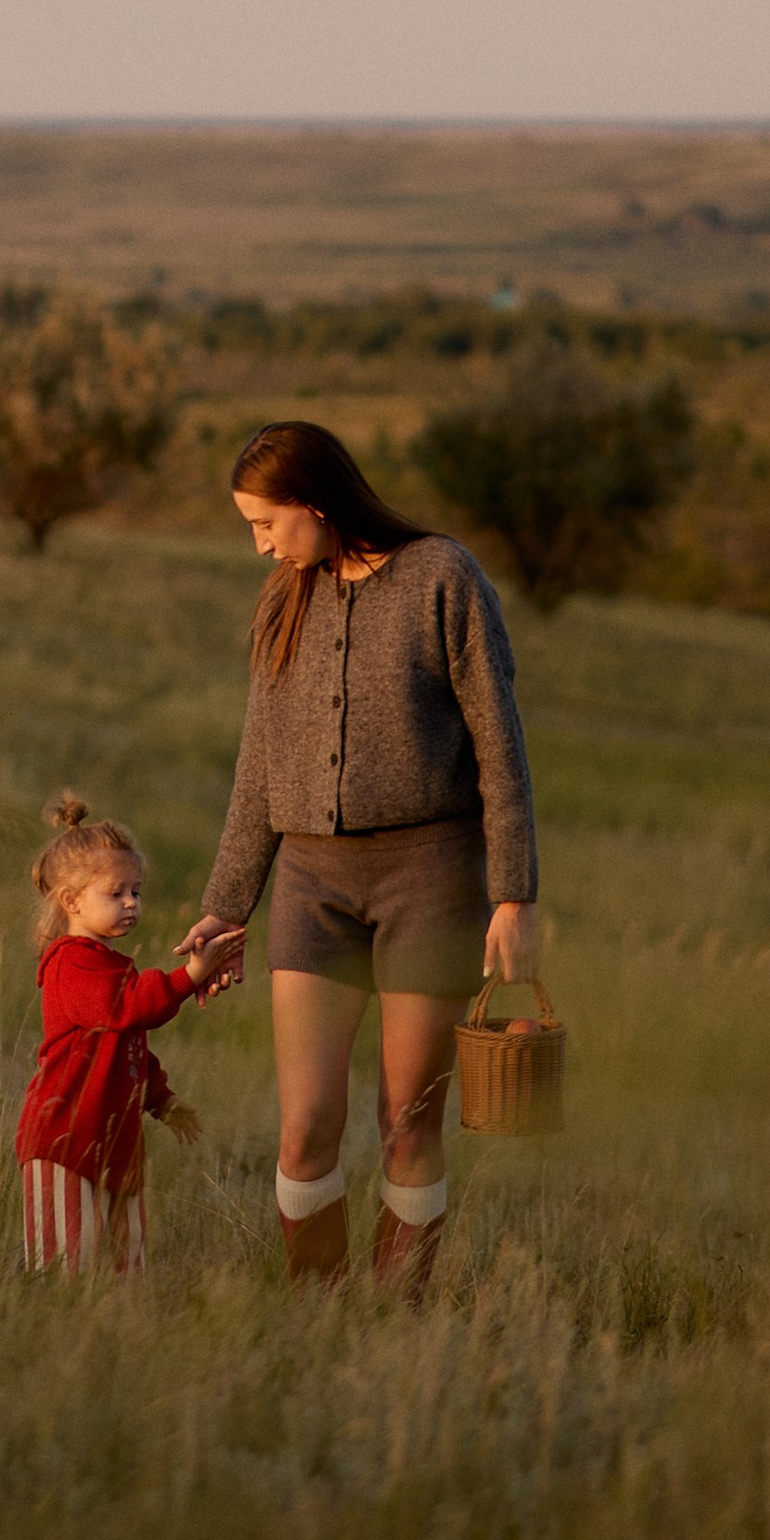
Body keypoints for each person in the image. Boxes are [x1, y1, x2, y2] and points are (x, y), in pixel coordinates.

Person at [176, 421, 539, 1306]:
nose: (259, 545)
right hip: (310, 885)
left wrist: (514, 894)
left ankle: (400, 1315)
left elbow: (500, 741)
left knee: (406, 1124)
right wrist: (227, 906)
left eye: (266, 523)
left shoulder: (442, 577)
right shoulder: (281, 601)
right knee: (306, 1126)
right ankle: (318, 1312)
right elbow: (258, 765)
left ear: (315, 503)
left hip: (433, 878)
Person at [15, 792, 244, 1273]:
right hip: (63, 1138)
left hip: (113, 1139)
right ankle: (60, 1335)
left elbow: (128, 1048)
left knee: (126, 1258)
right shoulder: (70, 963)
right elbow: (129, 1010)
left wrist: (160, 1100)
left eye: (136, 892)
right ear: (72, 901)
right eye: (115, 893)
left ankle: (119, 1329)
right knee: (65, 1265)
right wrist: (191, 976)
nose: (130, 903)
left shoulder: (110, 962)